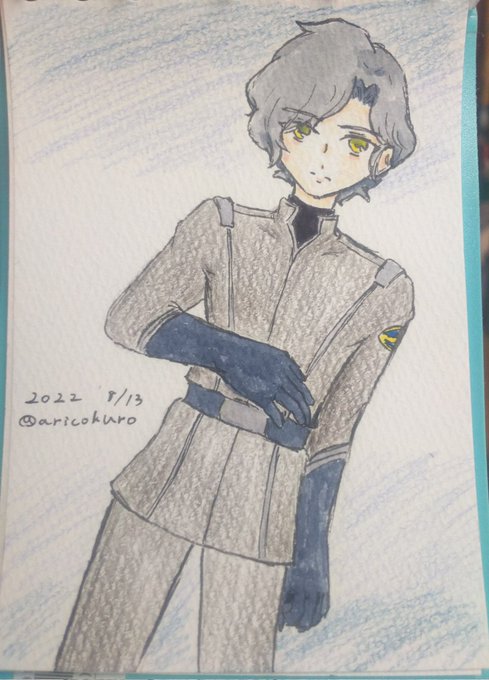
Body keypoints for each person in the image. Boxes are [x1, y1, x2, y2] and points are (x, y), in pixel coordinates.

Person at [55, 17, 416, 674]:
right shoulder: (220, 225)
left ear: (382, 157)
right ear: (275, 130)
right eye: (301, 130)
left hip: (271, 497)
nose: (321, 155)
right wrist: (231, 353)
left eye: (352, 140)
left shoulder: (384, 288)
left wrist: (312, 550)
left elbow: (336, 428)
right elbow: (128, 317)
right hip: (174, 463)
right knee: (90, 659)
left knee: (239, 664)